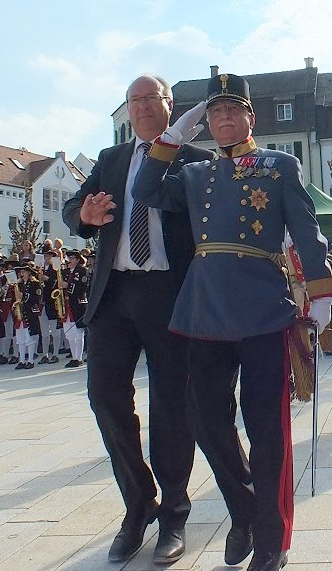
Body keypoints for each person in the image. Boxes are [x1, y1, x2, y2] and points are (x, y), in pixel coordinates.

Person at [133, 73, 332, 571]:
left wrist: (321, 293)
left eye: (232, 111)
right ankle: (244, 510)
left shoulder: (279, 165)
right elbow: (144, 190)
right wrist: (171, 137)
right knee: (206, 422)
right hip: (204, 309)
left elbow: (307, 230)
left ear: (250, 117)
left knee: (265, 427)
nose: (223, 119)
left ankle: (271, 539)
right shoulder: (196, 171)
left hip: (262, 306)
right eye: (215, 112)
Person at [62, 73, 209, 565]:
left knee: (172, 403)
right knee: (103, 395)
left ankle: (173, 514)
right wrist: (83, 215)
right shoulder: (110, 160)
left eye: (152, 98)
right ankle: (138, 501)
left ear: (169, 105)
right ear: (127, 111)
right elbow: (70, 210)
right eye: (135, 100)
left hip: (170, 292)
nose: (143, 106)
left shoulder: (195, 161)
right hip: (115, 293)